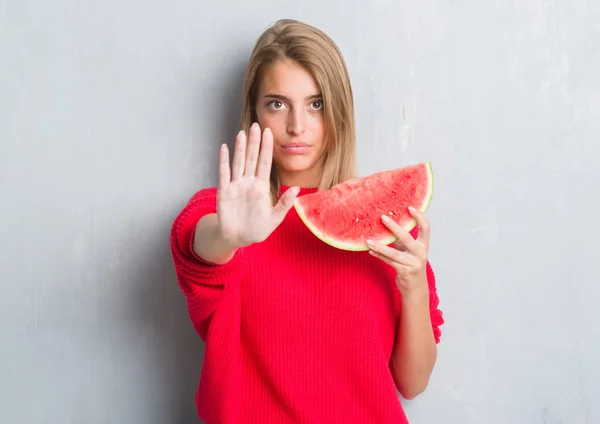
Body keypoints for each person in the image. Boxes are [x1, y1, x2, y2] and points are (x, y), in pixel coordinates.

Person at [170, 18, 444, 424]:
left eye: (315, 104)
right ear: (254, 112)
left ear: (338, 113)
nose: (297, 125)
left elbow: (413, 383)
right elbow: (198, 245)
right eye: (277, 103)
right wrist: (229, 237)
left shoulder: (389, 226)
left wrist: (415, 285)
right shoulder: (223, 217)